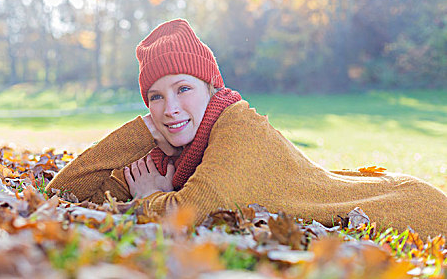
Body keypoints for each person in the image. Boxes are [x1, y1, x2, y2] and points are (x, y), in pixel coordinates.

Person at [47, 19, 447, 237]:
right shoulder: (168, 149)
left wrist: (149, 198)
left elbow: (182, 215)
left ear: (211, 88)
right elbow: (65, 190)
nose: (170, 109)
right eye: (155, 96)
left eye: (183, 88)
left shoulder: (239, 128)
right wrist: (143, 130)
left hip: (406, 211)